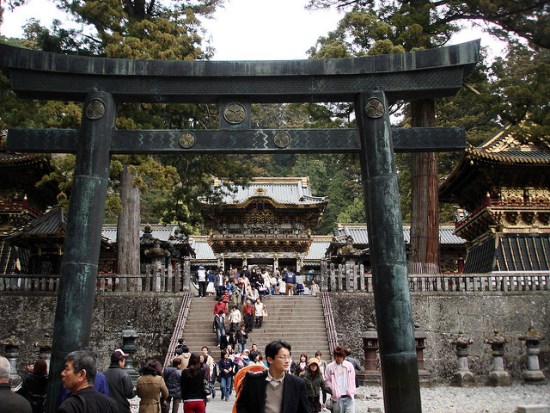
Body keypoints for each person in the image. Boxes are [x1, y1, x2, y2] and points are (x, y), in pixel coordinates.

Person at [236, 340, 311, 413]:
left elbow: (305, 410)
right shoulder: (253, 380)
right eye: (283, 357)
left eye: (288, 357)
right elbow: (241, 406)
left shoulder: (297, 384)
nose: (287, 361)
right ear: (270, 359)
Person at [324, 346, 356, 413]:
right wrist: (333, 388)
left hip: (349, 396)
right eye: (337, 356)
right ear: (334, 356)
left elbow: (353, 378)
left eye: (341, 356)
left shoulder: (349, 366)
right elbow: (327, 380)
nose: (339, 358)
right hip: (337, 397)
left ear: (343, 356)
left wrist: (352, 390)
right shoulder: (329, 367)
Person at [103, 348, 135, 413]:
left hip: (107, 408)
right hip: (121, 408)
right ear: (119, 362)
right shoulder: (124, 374)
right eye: (124, 361)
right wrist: (136, 392)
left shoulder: (103, 375)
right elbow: (129, 394)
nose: (125, 362)